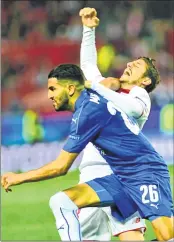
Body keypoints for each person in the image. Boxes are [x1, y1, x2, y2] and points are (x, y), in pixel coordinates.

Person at [1, 64, 173, 241]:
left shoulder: (87, 112)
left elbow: (60, 167)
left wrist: (18, 178)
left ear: (70, 88)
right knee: (61, 202)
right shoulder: (89, 104)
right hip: (120, 178)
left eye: (53, 89)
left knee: (167, 236)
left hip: (145, 173)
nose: (49, 95)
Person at [77, 7, 153, 241]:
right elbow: (88, 68)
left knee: (129, 234)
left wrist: (97, 87)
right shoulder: (110, 90)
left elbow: (128, 107)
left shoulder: (139, 96)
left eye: (137, 65)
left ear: (145, 80)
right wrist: (88, 29)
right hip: (89, 173)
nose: (130, 63)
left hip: (119, 174)